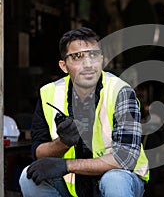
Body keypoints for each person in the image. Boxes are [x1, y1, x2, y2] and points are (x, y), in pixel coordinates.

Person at [19, 27, 149, 197]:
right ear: (63, 66)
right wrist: (63, 143)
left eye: (94, 55)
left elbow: (126, 158)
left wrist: (67, 165)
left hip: (119, 178)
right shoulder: (49, 94)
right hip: (73, 184)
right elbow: (39, 152)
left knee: (114, 181)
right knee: (27, 177)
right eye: (77, 56)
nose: (88, 64)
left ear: (102, 59)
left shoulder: (120, 92)